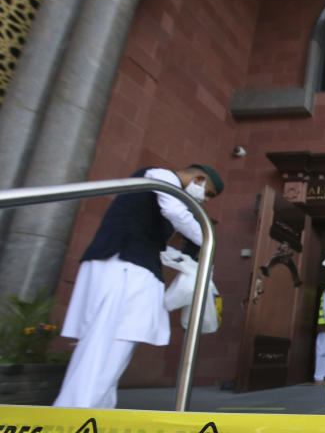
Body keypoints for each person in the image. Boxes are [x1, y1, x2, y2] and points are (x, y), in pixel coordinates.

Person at [54, 164, 224, 408]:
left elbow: (152, 235)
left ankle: (95, 410)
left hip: (132, 266)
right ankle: (75, 413)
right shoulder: (162, 176)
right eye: (208, 193)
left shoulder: (158, 195)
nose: (205, 200)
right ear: (199, 179)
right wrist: (209, 240)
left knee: (116, 346)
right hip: (123, 266)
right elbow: (176, 212)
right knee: (106, 342)